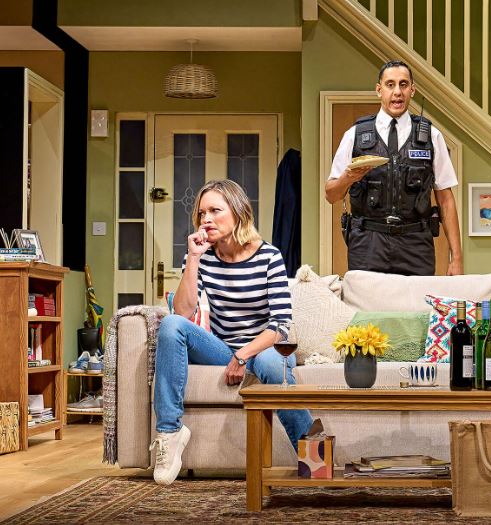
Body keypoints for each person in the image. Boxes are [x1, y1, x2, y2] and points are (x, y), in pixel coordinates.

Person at [150, 179, 312, 485]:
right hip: (223, 348)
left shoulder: (268, 256)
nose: (206, 219)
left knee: (268, 364)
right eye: (201, 213)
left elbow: (280, 325)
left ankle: (315, 457)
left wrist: (242, 355)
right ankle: (170, 433)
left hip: (265, 348)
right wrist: (194, 258)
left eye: (215, 211)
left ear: (238, 213)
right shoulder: (200, 256)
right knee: (171, 325)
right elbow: (183, 313)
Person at [325, 59, 463, 276]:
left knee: (418, 299)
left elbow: (446, 200)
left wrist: (457, 259)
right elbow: (331, 195)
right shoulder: (355, 135)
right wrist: (348, 178)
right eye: (390, 85)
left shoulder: (431, 136)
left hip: (416, 244)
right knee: (366, 299)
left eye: (403, 84)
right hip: (368, 244)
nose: (397, 91)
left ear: (412, 90)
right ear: (379, 90)